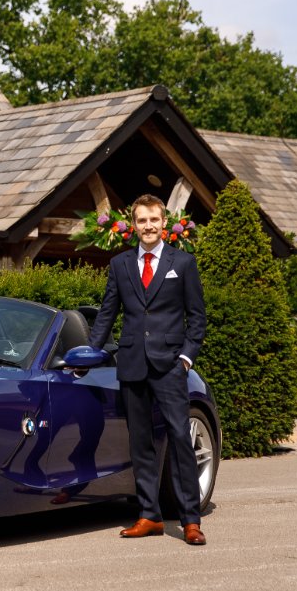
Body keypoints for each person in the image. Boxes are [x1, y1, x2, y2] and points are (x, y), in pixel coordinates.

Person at [87, 193, 207, 545]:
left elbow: (197, 318)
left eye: (154, 220)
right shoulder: (120, 265)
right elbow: (107, 313)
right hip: (133, 365)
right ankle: (149, 516)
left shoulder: (182, 263)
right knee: (140, 443)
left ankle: (190, 520)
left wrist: (186, 358)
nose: (148, 226)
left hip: (171, 366)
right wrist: (89, 353)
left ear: (164, 223)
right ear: (134, 225)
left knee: (180, 439)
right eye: (142, 221)